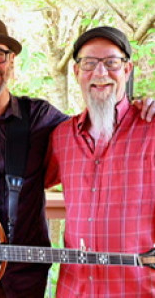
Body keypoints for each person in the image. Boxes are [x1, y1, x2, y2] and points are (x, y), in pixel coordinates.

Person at [0, 17, 155, 297]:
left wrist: (144, 104)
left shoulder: (42, 118)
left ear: (11, 61)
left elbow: (99, 129)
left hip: (25, 279)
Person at [44, 26, 155, 297]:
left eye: (111, 63)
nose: (100, 73)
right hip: (74, 289)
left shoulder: (152, 128)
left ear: (127, 70)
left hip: (137, 290)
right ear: (76, 72)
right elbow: (29, 184)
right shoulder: (61, 137)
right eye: (89, 63)